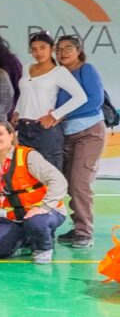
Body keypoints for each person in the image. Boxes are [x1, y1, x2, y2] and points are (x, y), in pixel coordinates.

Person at [55, 34, 107, 249]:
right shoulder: (58, 74)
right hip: (65, 135)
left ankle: (85, 232)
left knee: (80, 183)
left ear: (79, 50)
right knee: (68, 182)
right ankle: (78, 226)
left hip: (89, 132)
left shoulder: (86, 70)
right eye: (59, 49)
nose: (63, 52)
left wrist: (64, 113)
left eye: (68, 48)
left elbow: (95, 100)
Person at [14, 31, 85, 172]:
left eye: (42, 47)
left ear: (52, 49)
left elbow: (80, 97)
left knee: (49, 175)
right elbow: (25, 93)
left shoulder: (59, 71)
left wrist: (55, 115)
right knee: (24, 174)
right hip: (23, 127)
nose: (38, 52)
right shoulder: (26, 68)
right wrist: (17, 111)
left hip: (45, 130)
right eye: (34, 49)